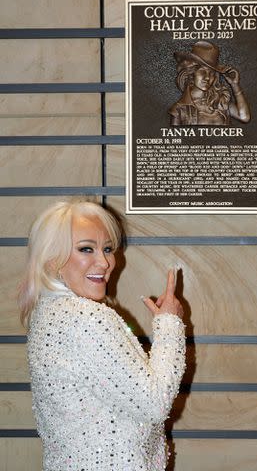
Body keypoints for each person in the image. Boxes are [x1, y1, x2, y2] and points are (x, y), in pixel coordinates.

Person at [19, 200, 186, 471]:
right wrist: (170, 324)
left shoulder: (46, 313)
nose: (105, 262)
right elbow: (155, 403)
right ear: (52, 259)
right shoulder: (85, 318)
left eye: (108, 249)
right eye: (87, 249)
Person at [169, 40, 251, 126]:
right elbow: (176, 137)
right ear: (192, 74)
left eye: (211, 73)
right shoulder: (179, 109)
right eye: (202, 71)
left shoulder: (220, 102)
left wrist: (235, 85)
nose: (207, 77)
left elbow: (244, 117)